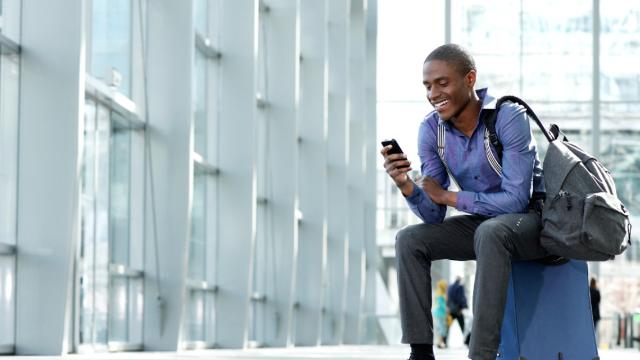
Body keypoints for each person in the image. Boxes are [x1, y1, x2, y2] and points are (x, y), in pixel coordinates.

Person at [380, 43, 548, 360]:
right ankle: (420, 352)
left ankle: (481, 355)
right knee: (409, 239)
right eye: (428, 86)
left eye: (442, 83)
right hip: (486, 227)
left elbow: (515, 200)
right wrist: (406, 186)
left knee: (491, 231)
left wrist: (450, 196)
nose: (433, 94)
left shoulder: (509, 117)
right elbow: (433, 215)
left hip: (531, 223)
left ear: (470, 79)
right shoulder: (431, 131)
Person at [433, 280, 449, 349]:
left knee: (441, 328)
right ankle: (440, 343)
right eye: (445, 285)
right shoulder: (440, 293)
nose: (446, 287)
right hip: (439, 313)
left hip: (441, 313)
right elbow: (440, 303)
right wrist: (446, 308)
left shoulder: (441, 292)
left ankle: (440, 342)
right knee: (441, 328)